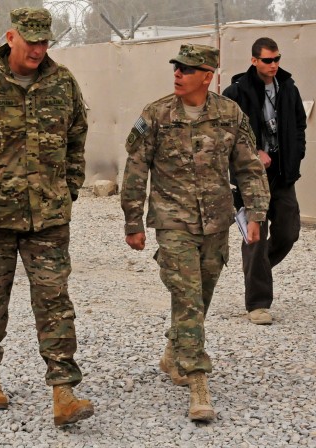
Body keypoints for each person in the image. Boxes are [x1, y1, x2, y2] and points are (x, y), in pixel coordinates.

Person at [0, 7, 94, 427]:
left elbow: (77, 135)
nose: (39, 50)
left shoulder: (62, 83)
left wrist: (70, 186)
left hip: (47, 219)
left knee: (54, 301)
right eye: (32, 42)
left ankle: (63, 389)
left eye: (45, 42)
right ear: (11, 38)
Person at [121, 43, 270, 421]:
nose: (178, 74)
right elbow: (137, 170)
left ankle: (175, 352)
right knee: (187, 296)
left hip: (217, 222)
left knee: (199, 297)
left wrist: (256, 213)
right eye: (176, 67)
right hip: (173, 222)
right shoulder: (155, 114)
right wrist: (133, 221)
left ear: (208, 76)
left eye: (188, 69)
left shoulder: (229, 114)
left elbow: (250, 167)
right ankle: (198, 380)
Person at [223, 37, 306, 325]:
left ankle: (257, 271)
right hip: (249, 178)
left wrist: (296, 155)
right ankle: (258, 303)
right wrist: (254, 152)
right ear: (254, 60)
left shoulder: (288, 89)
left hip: (283, 175)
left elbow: (299, 125)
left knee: (289, 231)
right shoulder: (235, 93)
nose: (274, 65)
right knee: (255, 239)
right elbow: (227, 135)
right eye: (268, 60)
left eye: (277, 59)